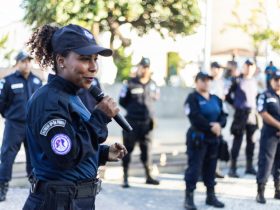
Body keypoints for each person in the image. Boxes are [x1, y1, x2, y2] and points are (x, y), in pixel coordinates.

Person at [22, 24, 127, 210]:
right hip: (56, 202)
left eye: (95, 59)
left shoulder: (71, 96)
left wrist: (102, 152)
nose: (93, 67)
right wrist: (100, 118)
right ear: (61, 61)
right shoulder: (49, 101)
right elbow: (65, 156)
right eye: (85, 59)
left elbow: (73, 142)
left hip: (74, 201)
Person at [0, 51, 42, 201]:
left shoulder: (37, 81)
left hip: (32, 126)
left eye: (29, 61)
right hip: (14, 125)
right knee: (7, 156)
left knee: (34, 157)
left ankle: (35, 187)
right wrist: (11, 116)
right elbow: (1, 103)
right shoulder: (8, 81)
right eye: (23, 61)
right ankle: (2, 187)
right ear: (17, 63)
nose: (27, 64)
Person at [184, 72, 227, 210]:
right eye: (203, 80)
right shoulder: (192, 98)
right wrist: (211, 126)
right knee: (194, 168)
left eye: (208, 80)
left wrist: (219, 125)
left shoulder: (216, 99)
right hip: (198, 139)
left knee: (211, 168)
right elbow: (194, 117)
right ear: (196, 82)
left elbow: (224, 115)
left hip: (214, 140)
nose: (206, 83)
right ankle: (189, 197)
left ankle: (211, 196)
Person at [119, 57, 160, 188]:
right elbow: (122, 101)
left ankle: (148, 176)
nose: (144, 69)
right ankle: (125, 177)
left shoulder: (153, 84)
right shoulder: (129, 84)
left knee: (147, 151)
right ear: (138, 67)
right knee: (127, 150)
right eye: (142, 66)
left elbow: (155, 99)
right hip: (131, 123)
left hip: (147, 124)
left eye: (147, 67)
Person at [226, 60, 258, 178]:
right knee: (237, 141)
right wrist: (235, 105)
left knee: (252, 141)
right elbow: (227, 95)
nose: (249, 68)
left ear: (254, 68)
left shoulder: (255, 81)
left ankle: (249, 167)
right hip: (240, 114)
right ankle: (232, 168)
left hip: (252, 114)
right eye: (247, 66)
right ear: (243, 67)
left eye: (251, 66)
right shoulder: (237, 80)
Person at [256, 71, 280, 204]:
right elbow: (263, 113)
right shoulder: (265, 95)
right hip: (269, 134)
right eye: (276, 79)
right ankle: (260, 192)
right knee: (266, 163)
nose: (278, 82)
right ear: (271, 80)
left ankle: (278, 190)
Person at [210, 62, 228, 179]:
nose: (219, 71)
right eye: (217, 68)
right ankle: (205, 170)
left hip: (220, 115)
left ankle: (215, 169)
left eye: (220, 69)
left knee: (218, 144)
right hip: (210, 115)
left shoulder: (222, 82)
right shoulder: (207, 81)